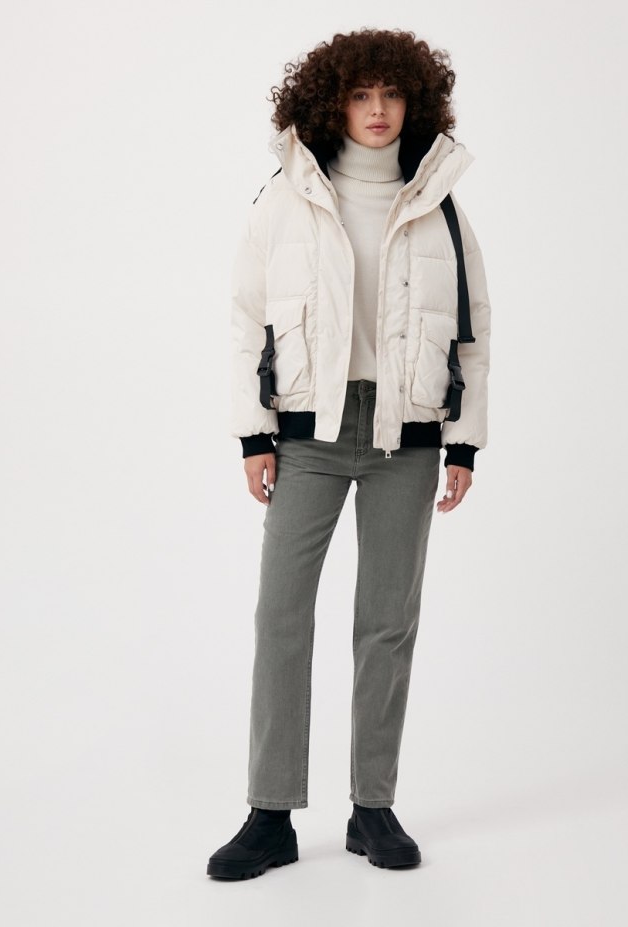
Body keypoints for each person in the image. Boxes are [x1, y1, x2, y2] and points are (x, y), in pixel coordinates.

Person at [207, 27, 491, 880]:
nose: (376, 110)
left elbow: (473, 333)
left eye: (390, 94)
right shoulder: (288, 197)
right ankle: (269, 813)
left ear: (414, 102)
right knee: (280, 616)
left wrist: (464, 441)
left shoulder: (439, 203)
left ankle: (373, 808)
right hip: (310, 434)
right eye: (360, 94)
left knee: (386, 623)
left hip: (407, 436)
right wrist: (254, 433)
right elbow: (245, 316)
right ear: (332, 102)